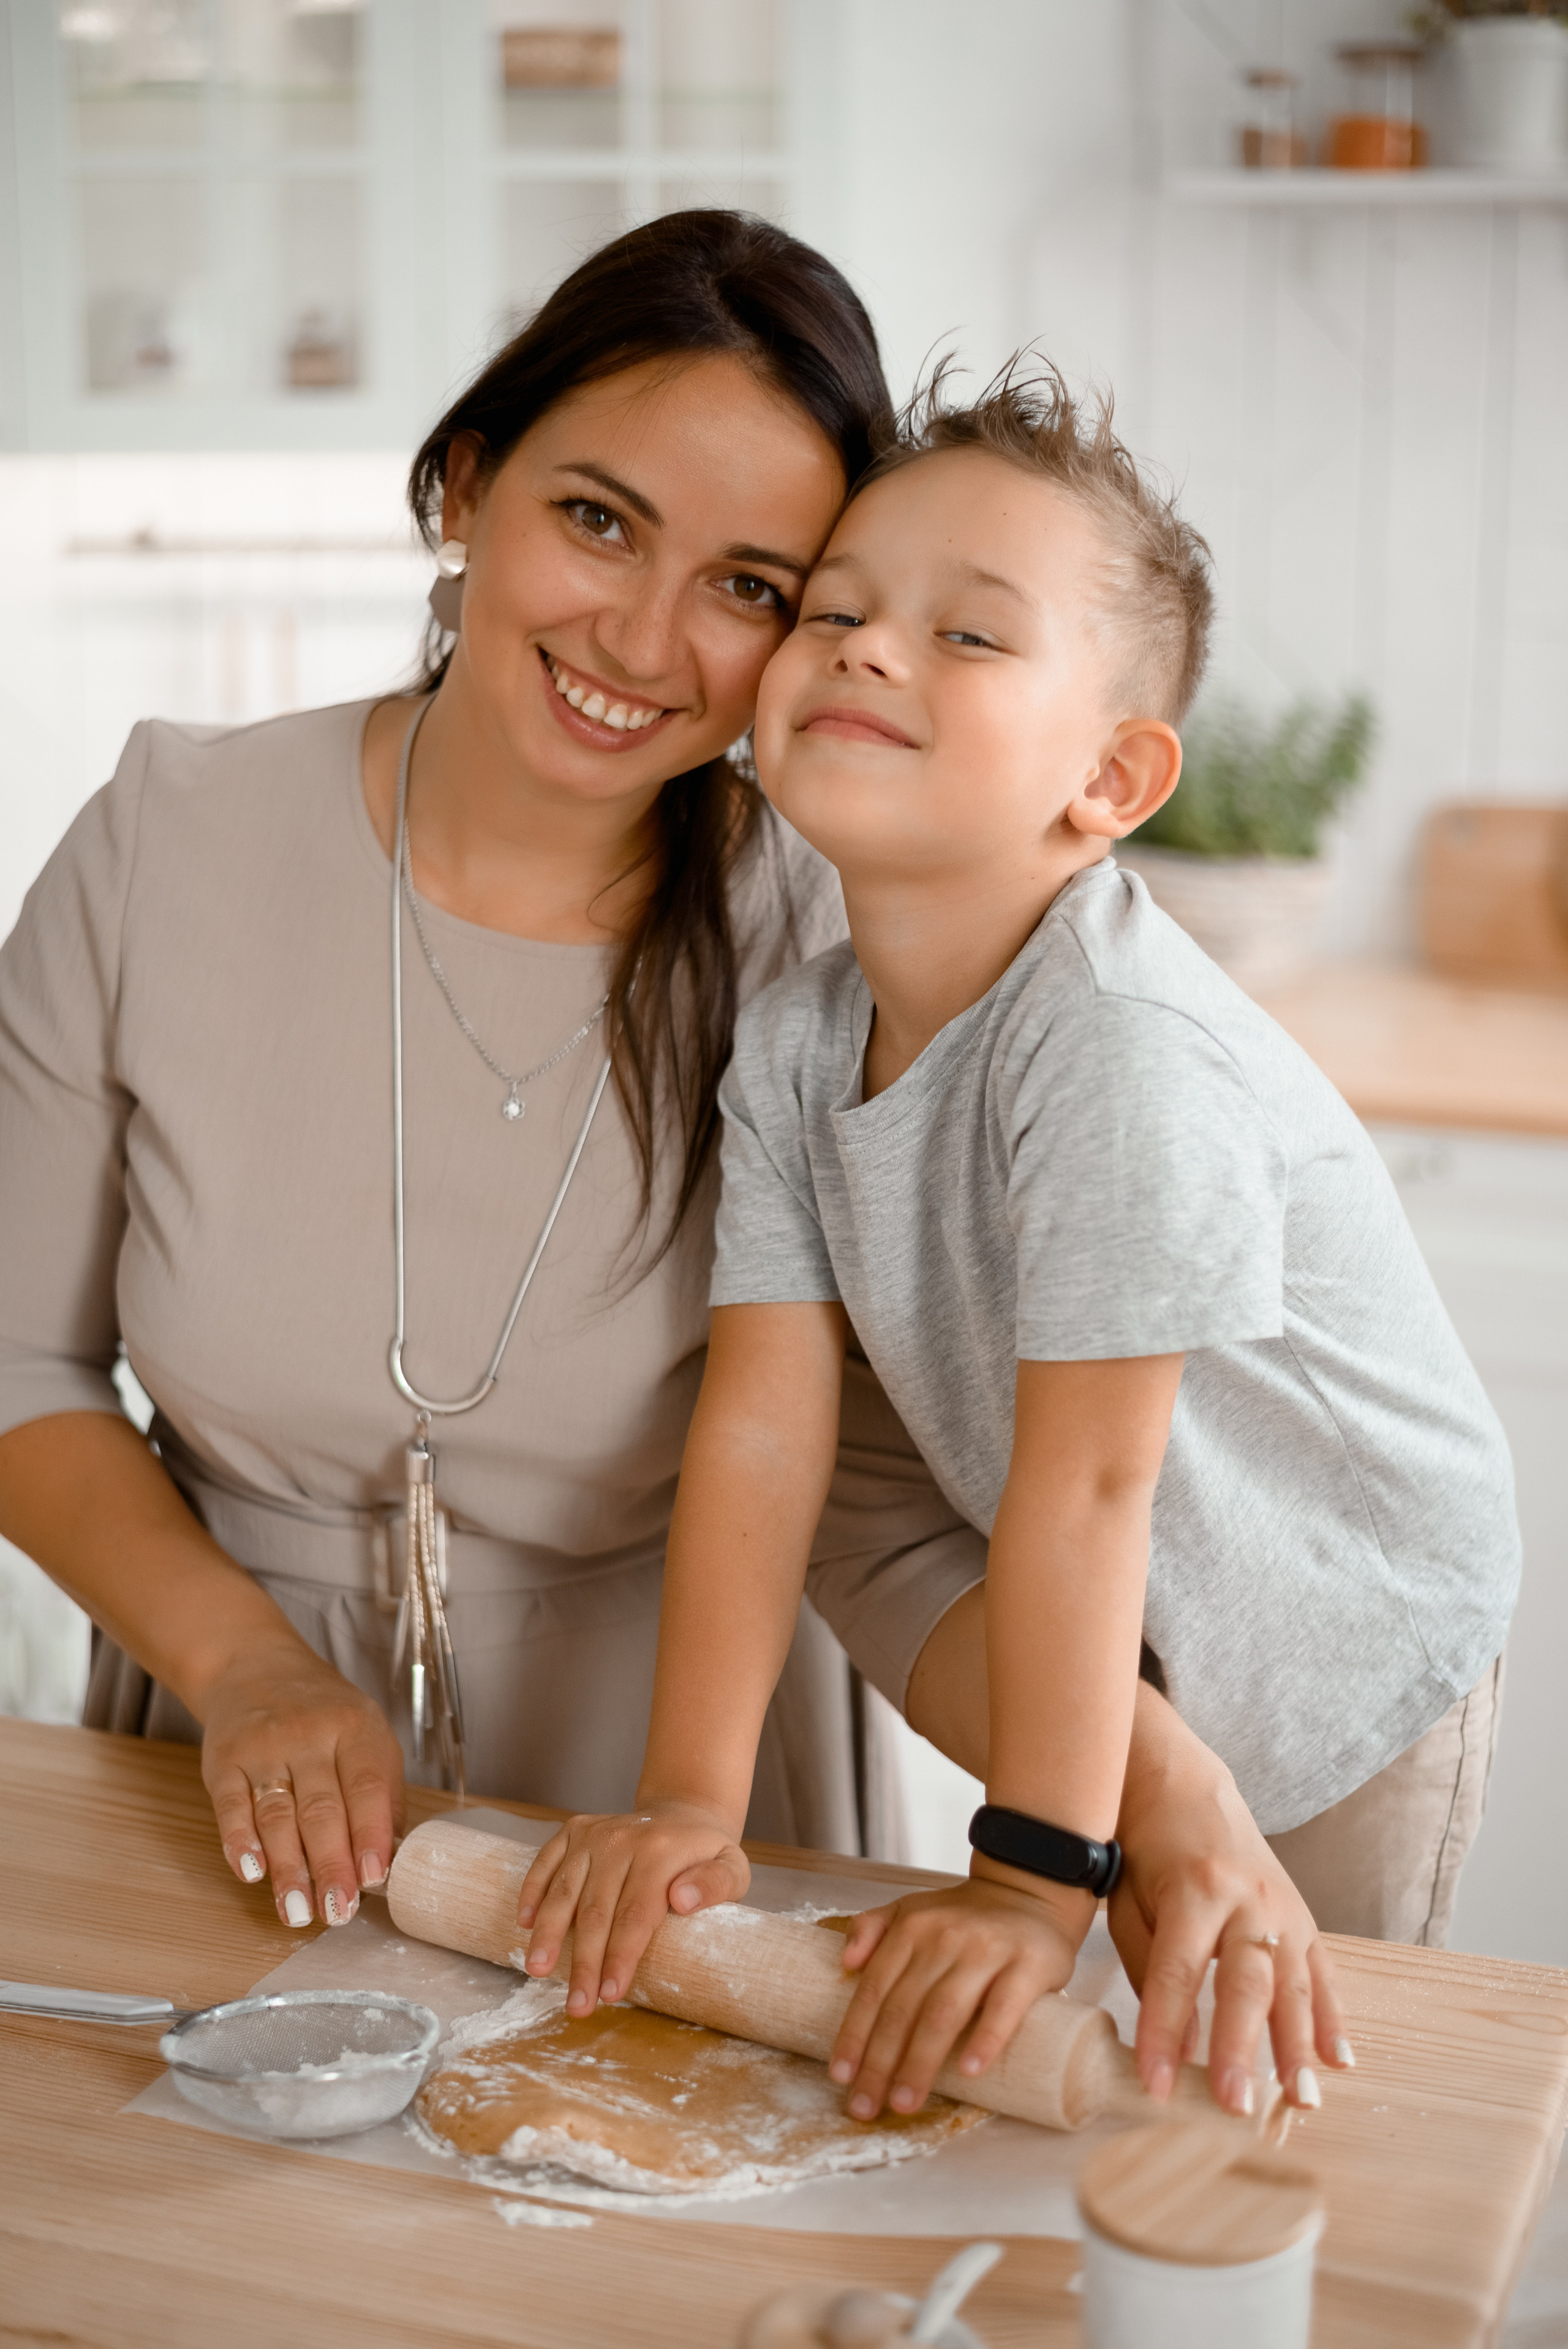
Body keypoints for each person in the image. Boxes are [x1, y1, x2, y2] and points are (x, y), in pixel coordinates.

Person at [0, 215, 1344, 2109]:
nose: (644, 641)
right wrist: (245, 1669)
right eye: (600, 520)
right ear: (465, 484)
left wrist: (1147, 1789)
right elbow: (21, 1365)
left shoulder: (841, 938)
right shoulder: (164, 836)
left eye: (750, 583)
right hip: (219, 1788)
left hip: (699, 1807)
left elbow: (888, 1486)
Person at [513, 366, 1518, 2123]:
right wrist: (692, 1795)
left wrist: (1028, 1877)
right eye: (836, 610)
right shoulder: (804, 1038)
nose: (871, 650)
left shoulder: (1118, 1040)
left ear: (1113, 777)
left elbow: (1090, 1491)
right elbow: (761, 1427)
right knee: (1079, 2120)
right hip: (1117, 1651)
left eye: (969, 638)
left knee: (1268, 2135)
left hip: (1342, 1656)